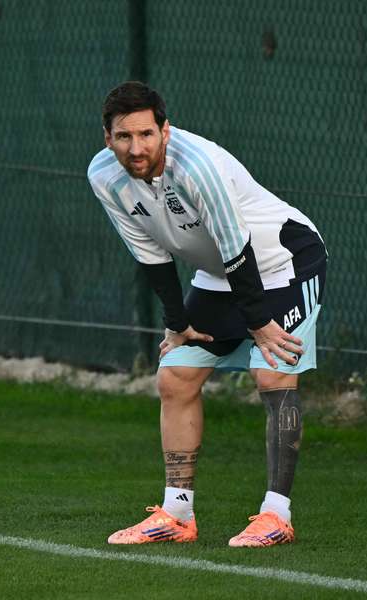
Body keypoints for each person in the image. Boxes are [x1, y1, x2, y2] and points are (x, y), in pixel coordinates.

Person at [87, 81, 326, 548]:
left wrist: (258, 325)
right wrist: (177, 323)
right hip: (218, 274)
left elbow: (237, 246)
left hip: (282, 263)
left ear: (165, 131)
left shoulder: (198, 167)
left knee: (273, 374)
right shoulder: (103, 176)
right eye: (123, 137)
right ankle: (177, 516)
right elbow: (150, 254)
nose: (136, 148)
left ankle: (276, 515)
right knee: (174, 376)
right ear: (107, 137)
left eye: (146, 134)